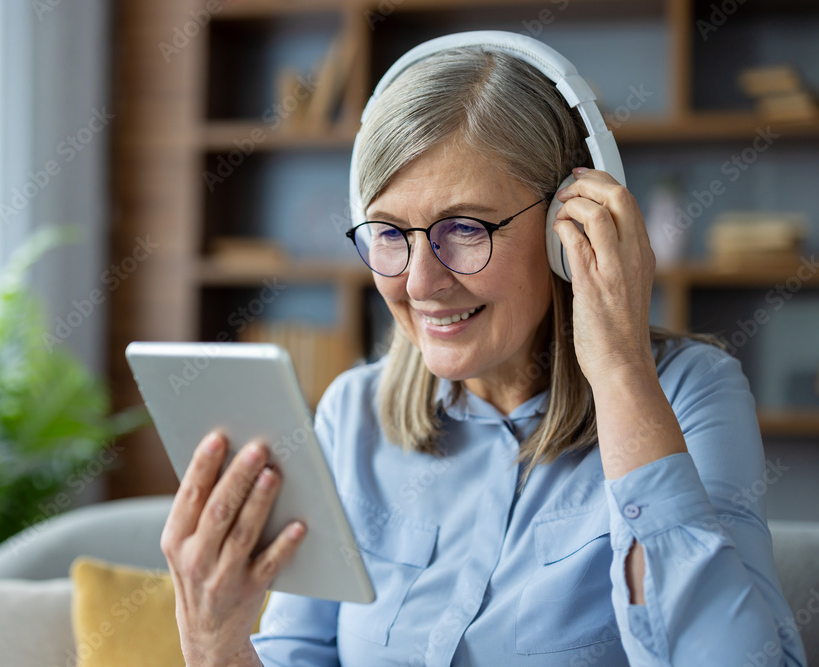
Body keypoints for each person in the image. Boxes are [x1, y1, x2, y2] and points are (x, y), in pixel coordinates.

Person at [159, 33, 808, 666]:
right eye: (389, 232)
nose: (419, 283)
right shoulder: (350, 414)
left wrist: (619, 371)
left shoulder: (690, 393)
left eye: (464, 229)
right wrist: (216, 646)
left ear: (570, 225)